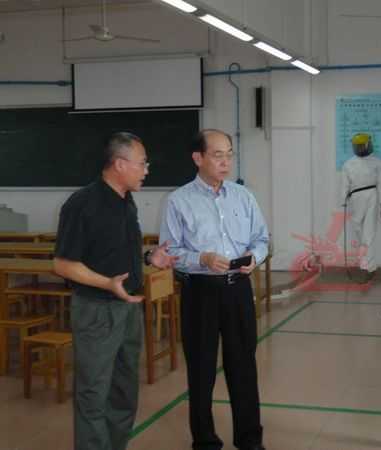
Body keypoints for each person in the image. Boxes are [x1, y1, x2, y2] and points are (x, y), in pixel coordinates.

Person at [53, 131, 178, 450]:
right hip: (96, 311)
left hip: (128, 308)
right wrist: (107, 283)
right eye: (142, 163)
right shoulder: (82, 204)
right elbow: (64, 265)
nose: (147, 170)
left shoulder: (126, 202)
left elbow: (115, 253)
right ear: (120, 164)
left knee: (124, 391)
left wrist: (149, 258)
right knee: (93, 393)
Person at [159, 129, 269, 450]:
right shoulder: (178, 200)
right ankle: (205, 441)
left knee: (243, 367)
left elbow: (262, 239)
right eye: (218, 155)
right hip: (200, 294)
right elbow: (170, 251)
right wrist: (202, 259)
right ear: (198, 158)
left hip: (238, 290)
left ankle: (250, 440)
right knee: (201, 369)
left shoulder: (244, 196)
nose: (226, 162)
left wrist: (255, 258)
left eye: (229, 155)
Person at [340, 133, 381, 280]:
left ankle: (369, 268)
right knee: (358, 230)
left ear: (368, 144)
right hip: (355, 197)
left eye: (362, 145)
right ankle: (365, 264)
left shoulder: (378, 163)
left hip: (372, 195)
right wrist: (343, 200)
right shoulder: (348, 164)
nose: (359, 148)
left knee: (369, 233)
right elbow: (345, 184)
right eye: (357, 146)